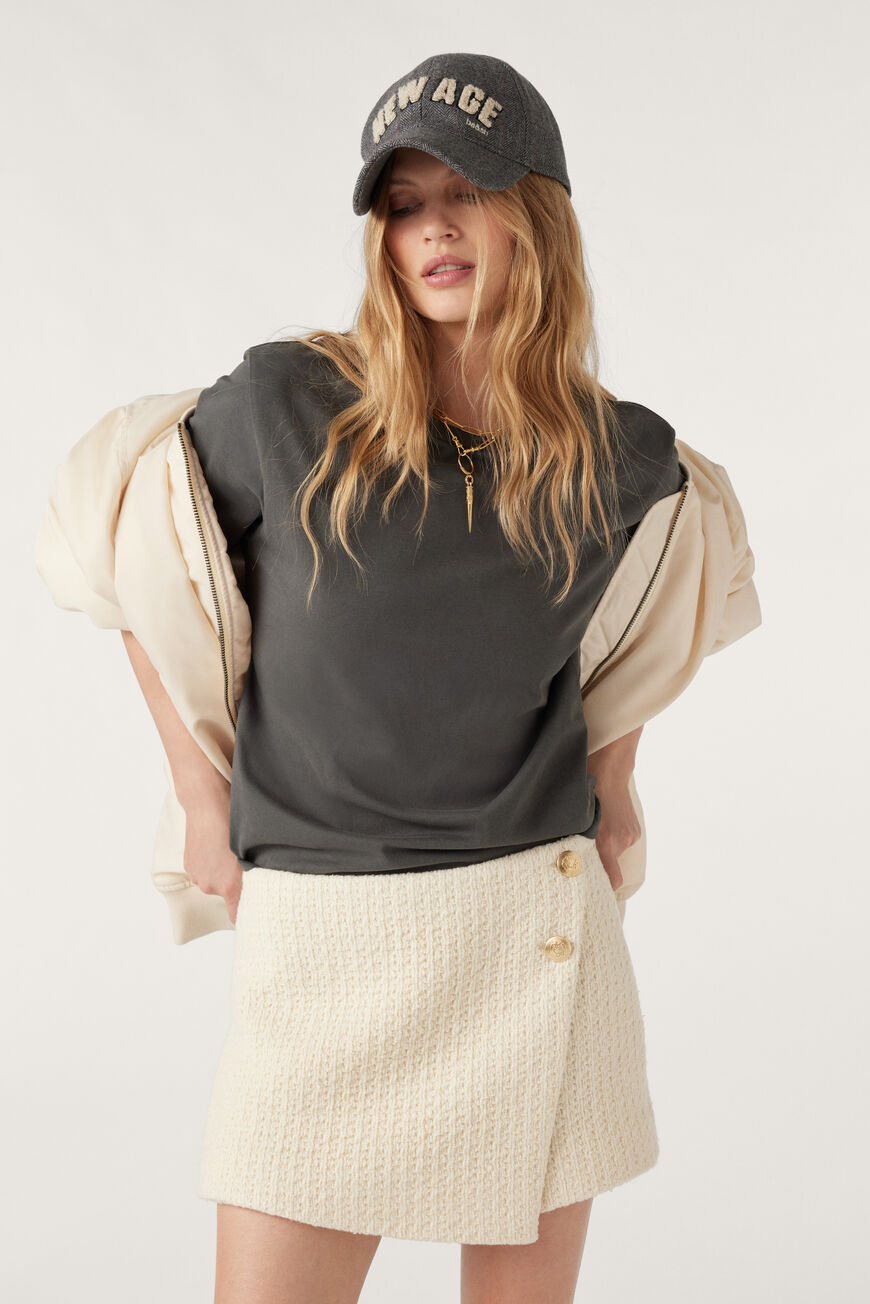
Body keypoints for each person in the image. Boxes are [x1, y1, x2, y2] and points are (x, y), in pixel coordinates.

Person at [39, 51, 761, 1304]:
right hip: (324, 941)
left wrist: (616, 776)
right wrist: (202, 798)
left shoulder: (621, 457)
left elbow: (648, 625)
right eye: (404, 203)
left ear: (535, 212)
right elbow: (126, 550)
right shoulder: (287, 404)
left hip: (532, 934)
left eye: (465, 192)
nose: (433, 228)